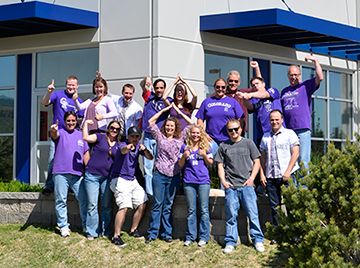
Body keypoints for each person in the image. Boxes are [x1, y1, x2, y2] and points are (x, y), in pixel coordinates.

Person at [215, 119, 265, 254]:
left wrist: (251, 179)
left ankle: (257, 240)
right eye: (230, 130)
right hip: (231, 187)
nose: (233, 132)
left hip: (247, 186)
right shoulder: (223, 146)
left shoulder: (248, 143)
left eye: (236, 129)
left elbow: (257, 161)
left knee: (253, 215)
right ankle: (230, 242)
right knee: (231, 216)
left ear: (241, 129)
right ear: (227, 131)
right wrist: (223, 181)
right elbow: (219, 165)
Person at [146, 104, 191, 243]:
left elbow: (192, 123)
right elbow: (150, 122)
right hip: (159, 174)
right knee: (157, 204)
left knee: (168, 205)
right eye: (167, 126)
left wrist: (178, 111)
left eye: (172, 126)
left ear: (175, 127)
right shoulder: (160, 137)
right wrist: (164, 110)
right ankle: (153, 233)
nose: (169, 128)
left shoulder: (181, 138)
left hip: (174, 176)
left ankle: (167, 233)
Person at [109, 126, 153, 247]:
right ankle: (116, 236)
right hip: (119, 179)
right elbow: (123, 150)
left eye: (137, 136)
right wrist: (128, 147)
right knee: (124, 207)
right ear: (128, 137)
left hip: (132, 179)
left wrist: (145, 150)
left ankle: (133, 230)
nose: (134, 138)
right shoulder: (121, 144)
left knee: (143, 201)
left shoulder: (139, 146)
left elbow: (150, 157)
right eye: (132, 136)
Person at [41, 76, 84, 194]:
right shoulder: (58, 95)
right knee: (52, 160)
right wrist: (48, 92)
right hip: (57, 133)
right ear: (66, 85)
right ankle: (49, 186)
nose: (71, 87)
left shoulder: (79, 101)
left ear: (77, 86)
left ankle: (69, 186)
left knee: (71, 160)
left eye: (73, 85)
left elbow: (81, 118)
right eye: (69, 85)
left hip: (72, 136)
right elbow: (44, 102)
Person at [50, 111, 89, 237]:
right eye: (68, 120)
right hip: (61, 172)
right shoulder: (60, 132)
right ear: (64, 121)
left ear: (76, 121)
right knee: (61, 200)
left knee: (83, 200)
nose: (71, 123)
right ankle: (63, 226)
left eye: (73, 120)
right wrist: (54, 130)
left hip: (78, 174)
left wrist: (89, 169)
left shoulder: (81, 135)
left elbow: (85, 154)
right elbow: (54, 135)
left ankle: (86, 225)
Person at [280, 55, 323, 170]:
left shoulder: (305, 86)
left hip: (303, 129)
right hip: (289, 131)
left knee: (303, 160)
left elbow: (320, 77)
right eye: (291, 75)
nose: (294, 77)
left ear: (300, 75)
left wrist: (315, 61)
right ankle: (293, 187)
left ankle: (304, 188)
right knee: (291, 161)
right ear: (288, 76)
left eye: (296, 74)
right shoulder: (284, 91)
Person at [259, 110, 300, 228]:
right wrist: (262, 174)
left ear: (282, 120)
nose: (274, 122)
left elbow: (295, 153)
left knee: (291, 204)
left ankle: (294, 234)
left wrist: (288, 172)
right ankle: (278, 233)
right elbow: (262, 157)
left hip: (287, 176)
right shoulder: (265, 136)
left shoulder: (289, 133)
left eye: (277, 119)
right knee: (274, 207)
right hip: (271, 176)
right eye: (272, 119)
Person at [82, 119, 121, 240]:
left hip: (107, 178)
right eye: (112, 128)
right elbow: (86, 138)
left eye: (117, 129)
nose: (114, 130)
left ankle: (105, 231)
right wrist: (85, 125)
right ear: (108, 128)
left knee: (106, 205)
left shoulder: (120, 144)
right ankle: (92, 232)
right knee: (92, 204)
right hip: (92, 175)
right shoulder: (100, 137)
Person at [179, 124, 213, 247]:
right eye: (193, 133)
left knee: (204, 210)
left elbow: (211, 164)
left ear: (201, 134)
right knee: (191, 210)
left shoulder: (206, 147)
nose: (195, 135)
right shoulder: (185, 147)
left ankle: (204, 237)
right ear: (190, 134)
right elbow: (180, 165)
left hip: (203, 181)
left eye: (198, 133)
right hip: (189, 181)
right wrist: (184, 156)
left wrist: (204, 155)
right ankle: (190, 236)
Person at [196, 78, 244, 156]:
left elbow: (241, 119)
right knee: (211, 164)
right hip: (211, 140)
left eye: (223, 87)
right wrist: (204, 134)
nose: (220, 89)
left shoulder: (233, 102)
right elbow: (200, 119)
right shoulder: (207, 102)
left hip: (229, 139)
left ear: (226, 88)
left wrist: (237, 133)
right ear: (214, 87)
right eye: (218, 87)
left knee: (229, 165)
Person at [141, 78, 172, 196]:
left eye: (161, 88)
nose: (159, 90)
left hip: (160, 137)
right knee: (148, 167)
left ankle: (158, 191)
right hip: (148, 136)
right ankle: (149, 193)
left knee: (159, 166)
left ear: (164, 89)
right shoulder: (149, 97)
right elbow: (143, 86)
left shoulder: (168, 100)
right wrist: (146, 80)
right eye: (157, 88)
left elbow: (169, 105)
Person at [239, 76, 282, 146]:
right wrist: (244, 98)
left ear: (263, 84)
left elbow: (264, 95)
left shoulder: (273, 91)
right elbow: (250, 107)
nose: (255, 86)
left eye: (257, 83)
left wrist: (249, 95)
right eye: (253, 85)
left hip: (278, 132)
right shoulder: (255, 100)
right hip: (263, 134)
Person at [226, 61, 262, 133]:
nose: (233, 83)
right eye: (231, 81)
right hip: (226, 132)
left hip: (240, 132)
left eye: (236, 81)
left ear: (239, 83)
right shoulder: (223, 95)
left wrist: (256, 68)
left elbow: (259, 86)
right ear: (227, 81)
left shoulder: (243, 93)